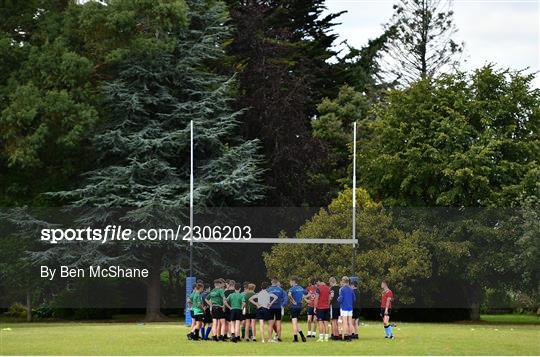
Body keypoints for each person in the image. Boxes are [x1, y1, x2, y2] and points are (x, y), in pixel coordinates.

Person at [266, 277, 287, 342]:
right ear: (277, 282)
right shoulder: (280, 289)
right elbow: (285, 298)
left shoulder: (268, 290)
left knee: (270, 324)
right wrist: (282, 305)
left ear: (271, 282)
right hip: (278, 307)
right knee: (278, 323)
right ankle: (279, 337)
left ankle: (270, 338)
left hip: (270, 307)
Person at [288, 276, 307, 342]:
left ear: (293, 281)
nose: (289, 283)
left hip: (294, 307)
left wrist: (293, 301)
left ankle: (295, 338)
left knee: (294, 322)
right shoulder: (301, 288)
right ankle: (302, 336)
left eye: (290, 281)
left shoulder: (292, 289)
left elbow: (289, 295)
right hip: (299, 307)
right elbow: (305, 295)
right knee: (295, 322)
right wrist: (302, 300)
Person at [337, 276, 355, 342]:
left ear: (343, 281)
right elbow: (354, 299)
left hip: (344, 307)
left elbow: (340, 299)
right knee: (350, 322)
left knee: (344, 322)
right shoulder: (351, 289)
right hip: (350, 307)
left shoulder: (341, 289)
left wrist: (338, 299)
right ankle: (350, 337)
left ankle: (345, 336)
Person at [313, 277, 331, 342]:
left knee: (320, 322)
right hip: (327, 308)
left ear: (319, 282)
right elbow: (329, 299)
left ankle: (321, 338)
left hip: (320, 308)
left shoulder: (318, 289)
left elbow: (316, 299)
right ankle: (326, 338)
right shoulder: (328, 288)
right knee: (326, 323)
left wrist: (315, 307)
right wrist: (328, 305)